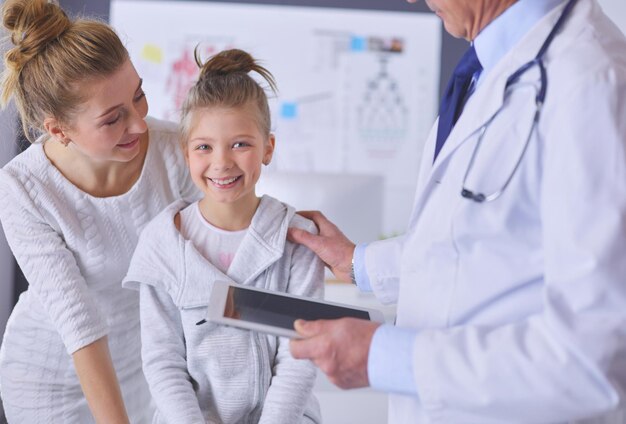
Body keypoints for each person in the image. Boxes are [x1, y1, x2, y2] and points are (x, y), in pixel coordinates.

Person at [289, 0, 626, 422]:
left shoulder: (593, 82)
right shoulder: (490, 68)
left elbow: (591, 361)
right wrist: (358, 263)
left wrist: (385, 356)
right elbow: (478, 240)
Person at [0, 1, 198, 422]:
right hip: (55, 376)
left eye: (139, 96)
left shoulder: (175, 150)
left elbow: (209, 260)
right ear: (59, 130)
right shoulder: (23, 188)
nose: (140, 125)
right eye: (113, 120)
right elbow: (78, 323)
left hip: (148, 364)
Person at [122, 48, 323, 424]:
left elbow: (299, 356)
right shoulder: (162, 245)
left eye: (241, 144)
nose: (222, 162)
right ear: (186, 152)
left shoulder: (297, 240)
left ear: (268, 148)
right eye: (204, 147)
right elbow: (163, 361)